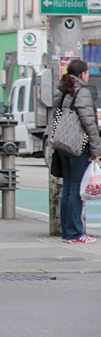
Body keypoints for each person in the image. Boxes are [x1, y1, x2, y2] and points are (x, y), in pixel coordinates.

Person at [53, 58, 101, 244]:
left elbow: (56, 118)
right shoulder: (82, 92)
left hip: (63, 143)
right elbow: (88, 122)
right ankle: (75, 233)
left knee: (67, 188)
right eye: (87, 72)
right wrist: (96, 149)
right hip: (78, 145)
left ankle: (67, 232)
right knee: (76, 190)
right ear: (82, 74)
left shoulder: (62, 91)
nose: (88, 76)